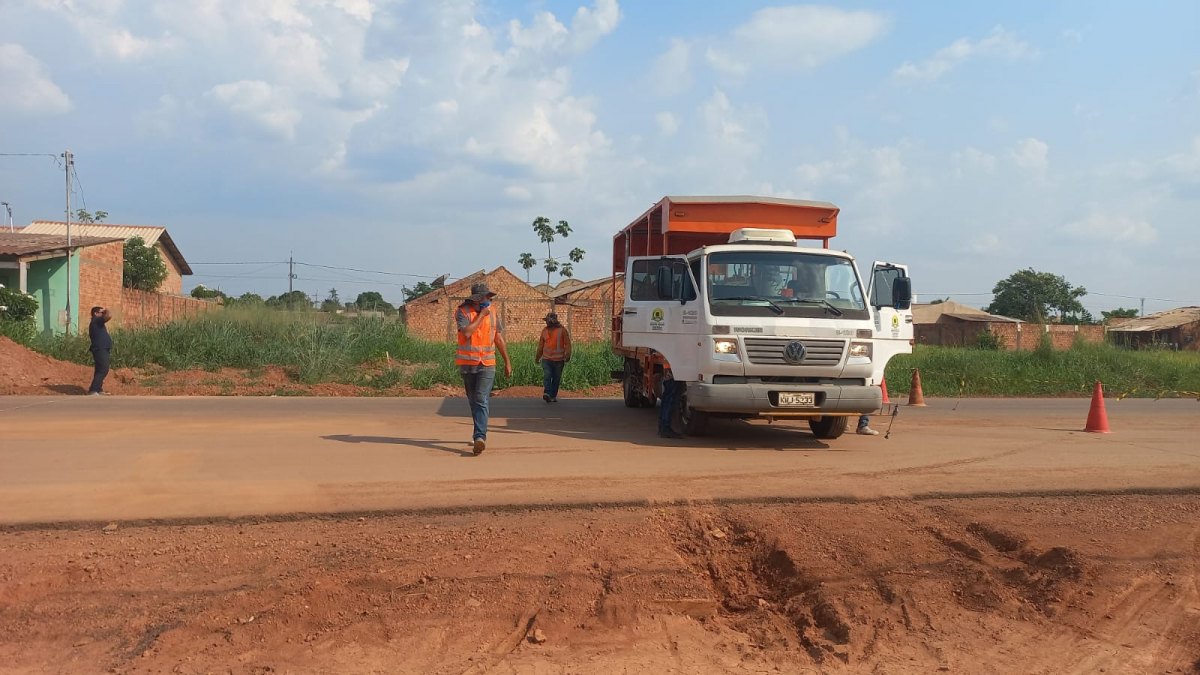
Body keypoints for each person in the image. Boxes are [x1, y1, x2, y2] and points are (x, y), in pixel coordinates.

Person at [455, 282, 512, 455]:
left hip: (487, 364)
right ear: (477, 299)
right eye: (486, 297)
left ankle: (480, 437)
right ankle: (477, 432)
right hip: (467, 364)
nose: (489, 300)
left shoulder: (493, 312)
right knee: (473, 400)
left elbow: (498, 338)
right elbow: (466, 333)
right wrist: (481, 316)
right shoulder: (462, 312)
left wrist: (507, 362)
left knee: (480, 398)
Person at [535, 312, 571, 403]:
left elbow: (567, 344)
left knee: (556, 378)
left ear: (552, 321)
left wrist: (568, 355)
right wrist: (537, 358)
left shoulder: (562, 330)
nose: (546, 323)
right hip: (546, 359)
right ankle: (547, 393)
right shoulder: (544, 331)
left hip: (559, 360)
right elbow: (540, 347)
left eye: (548, 321)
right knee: (547, 376)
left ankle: (553, 396)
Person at [87, 306, 113, 395]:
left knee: (99, 369)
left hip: (102, 348)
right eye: (101, 312)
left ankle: (98, 389)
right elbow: (109, 316)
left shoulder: (97, 322)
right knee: (103, 369)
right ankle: (93, 389)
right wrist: (106, 310)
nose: (102, 314)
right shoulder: (96, 320)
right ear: (96, 313)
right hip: (100, 348)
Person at [658, 367, 683, 439]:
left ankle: (662, 427)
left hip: (670, 371)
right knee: (670, 400)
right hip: (674, 373)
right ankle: (665, 427)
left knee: (666, 399)